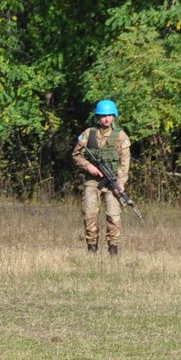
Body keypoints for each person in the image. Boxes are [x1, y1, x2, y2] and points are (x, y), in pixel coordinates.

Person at [72, 99, 131, 257]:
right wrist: (88, 166)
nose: (106, 119)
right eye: (103, 115)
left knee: (113, 216)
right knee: (90, 214)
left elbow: (125, 163)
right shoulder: (88, 134)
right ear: (98, 116)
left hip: (113, 182)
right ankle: (92, 249)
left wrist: (121, 183)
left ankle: (113, 251)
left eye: (110, 115)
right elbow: (76, 155)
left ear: (114, 116)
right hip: (93, 181)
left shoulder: (120, 136)